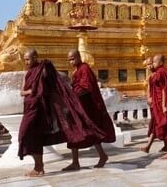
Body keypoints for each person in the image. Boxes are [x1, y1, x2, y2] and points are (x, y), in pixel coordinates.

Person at [18, 49, 103, 177]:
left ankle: (41, 167)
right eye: (24, 59)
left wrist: (69, 101)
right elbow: (22, 91)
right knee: (27, 135)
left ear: (35, 57)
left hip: (43, 109)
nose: (26, 62)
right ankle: (40, 166)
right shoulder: (28, 73)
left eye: (28, 59)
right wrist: (32, 92)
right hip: (30, 108)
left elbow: (54, 86)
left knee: (78, 130)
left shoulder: (44, 69)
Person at [62, 50, 115, 171]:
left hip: (87, 107)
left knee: (91, 130)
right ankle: (76, 161)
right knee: (73, 132)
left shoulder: (84, 69)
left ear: (79, 57)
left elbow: (86, 88)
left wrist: (73, 96)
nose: (71, 61)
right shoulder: (76, 70)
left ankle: (101, 155)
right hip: (78, 107)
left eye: (73, 58)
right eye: (69, 59)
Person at [140, 57, 157, 154]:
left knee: (157, 124)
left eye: (150, 64)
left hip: (159, 104)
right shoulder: (150, 77)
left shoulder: (159, 74)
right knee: (157, 124)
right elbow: (149, 88)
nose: (149, 66)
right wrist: (148, 97)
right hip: (154, 103)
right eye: (147, 65)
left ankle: (148, 145)